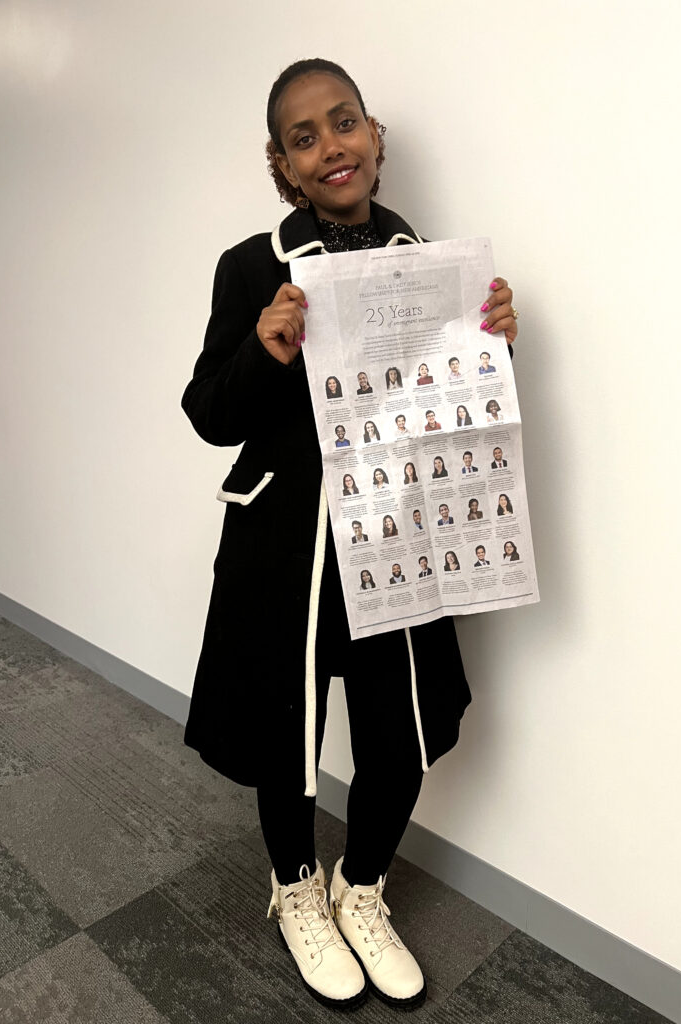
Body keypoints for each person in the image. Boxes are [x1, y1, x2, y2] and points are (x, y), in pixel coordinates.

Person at [181, 58, 519, 1011]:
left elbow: (458, 420)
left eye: (344, 124)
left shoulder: (433, 267)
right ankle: (295, 888)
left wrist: (489, 348)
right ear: (282, 166)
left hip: (398, 542)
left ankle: (359, 888)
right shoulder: (254, 267)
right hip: (286, 548)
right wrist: (264, 347)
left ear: (375, 137)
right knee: (288, 732)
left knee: (399, 730)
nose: (331, 146)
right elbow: (208, 411)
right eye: (304, 136)